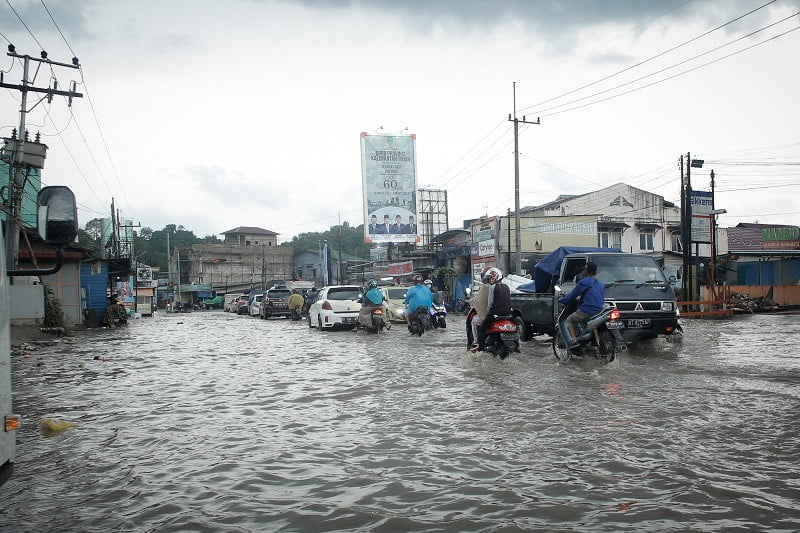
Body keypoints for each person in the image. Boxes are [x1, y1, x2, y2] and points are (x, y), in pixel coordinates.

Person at [558, 261, 605, 347]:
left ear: (587, 271)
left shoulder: (584, 282)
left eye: (584, 269)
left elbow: (572, 295)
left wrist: (561, 300)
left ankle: (574, 340)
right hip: (600, 310)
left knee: (569, 320)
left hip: (587, 310)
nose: (582, 271)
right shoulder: (600, 283)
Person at [474, 267, 512, 352]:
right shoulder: (507, 287)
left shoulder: (492, 287)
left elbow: (490, 303)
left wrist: (488, 311)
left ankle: (481, 349)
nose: (490, 280)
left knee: (482, 329)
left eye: (491, 278)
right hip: (507, 314)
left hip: (495, 314)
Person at [469, 267, 491, 351]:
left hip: (491, 314)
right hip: (505, 314)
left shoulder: (485, 287)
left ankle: (477, 342)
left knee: (475, 320)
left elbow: (479, 300)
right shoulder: (503, 286)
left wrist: (472, 302)